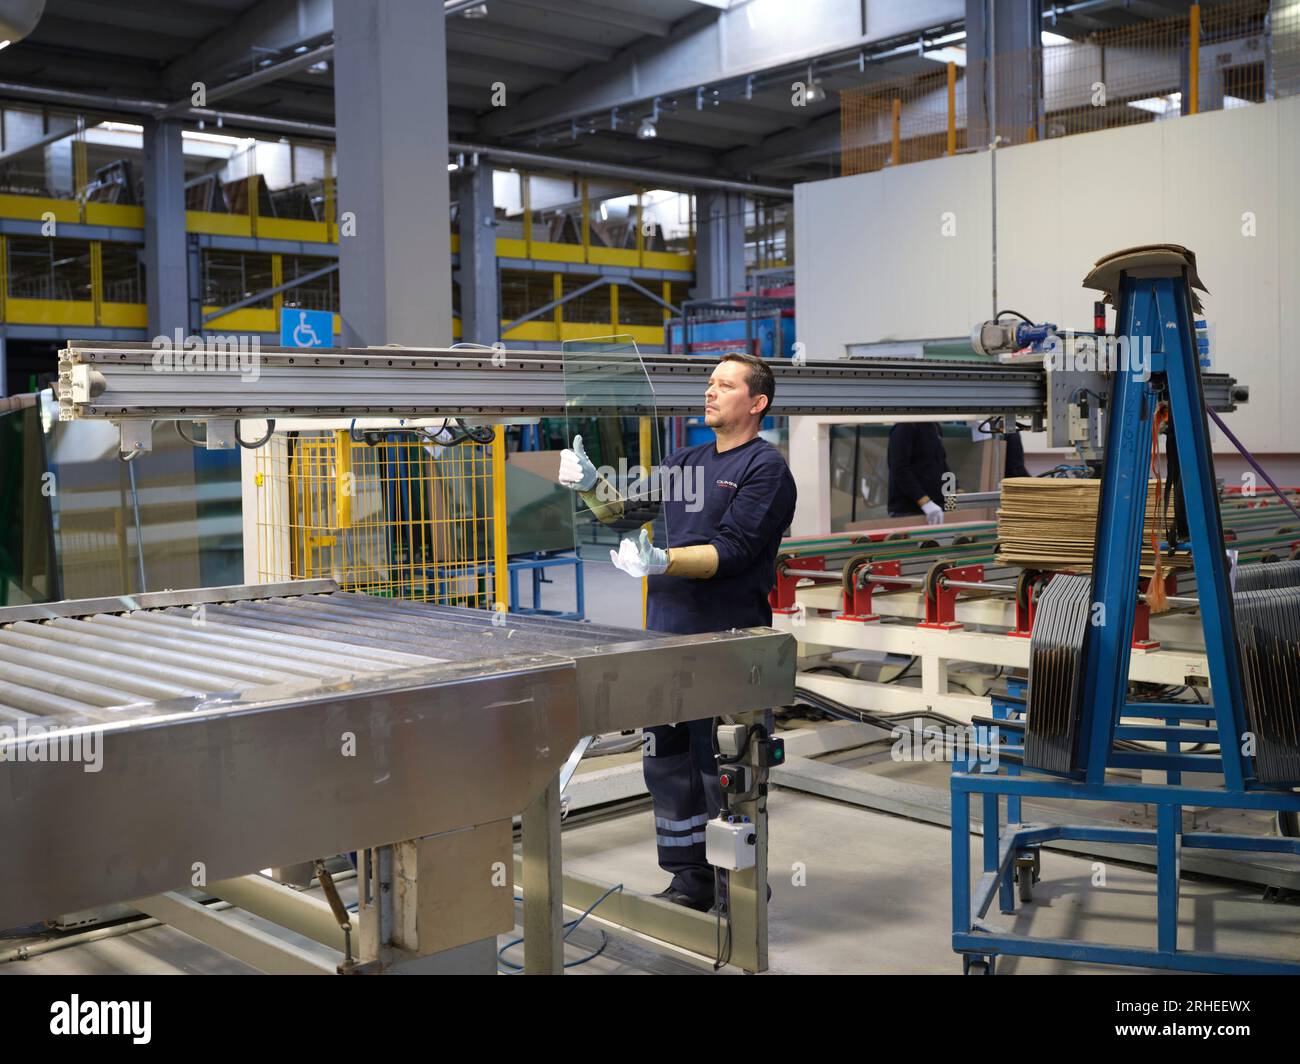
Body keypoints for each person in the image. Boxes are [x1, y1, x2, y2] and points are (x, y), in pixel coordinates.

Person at [557, 352, 797, 912]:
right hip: (666, 640)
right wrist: (591, 486)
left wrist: (662, 559)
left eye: (726, 385)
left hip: (729, 644)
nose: (710, 391)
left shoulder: (767, 469)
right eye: (710, 382)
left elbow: (736, 550)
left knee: (727, 766)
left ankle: (736, 882)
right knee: (668, 762)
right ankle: (687, 877)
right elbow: (621, 515)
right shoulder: (684, 460)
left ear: (756, 403)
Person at [887, 422, 950, 525]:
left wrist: (952, 501)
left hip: (937, 510)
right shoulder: (905, 426)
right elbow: (899, 469)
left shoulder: (934, 426)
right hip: (909, 511)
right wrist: (925, 502)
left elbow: (942, 465)